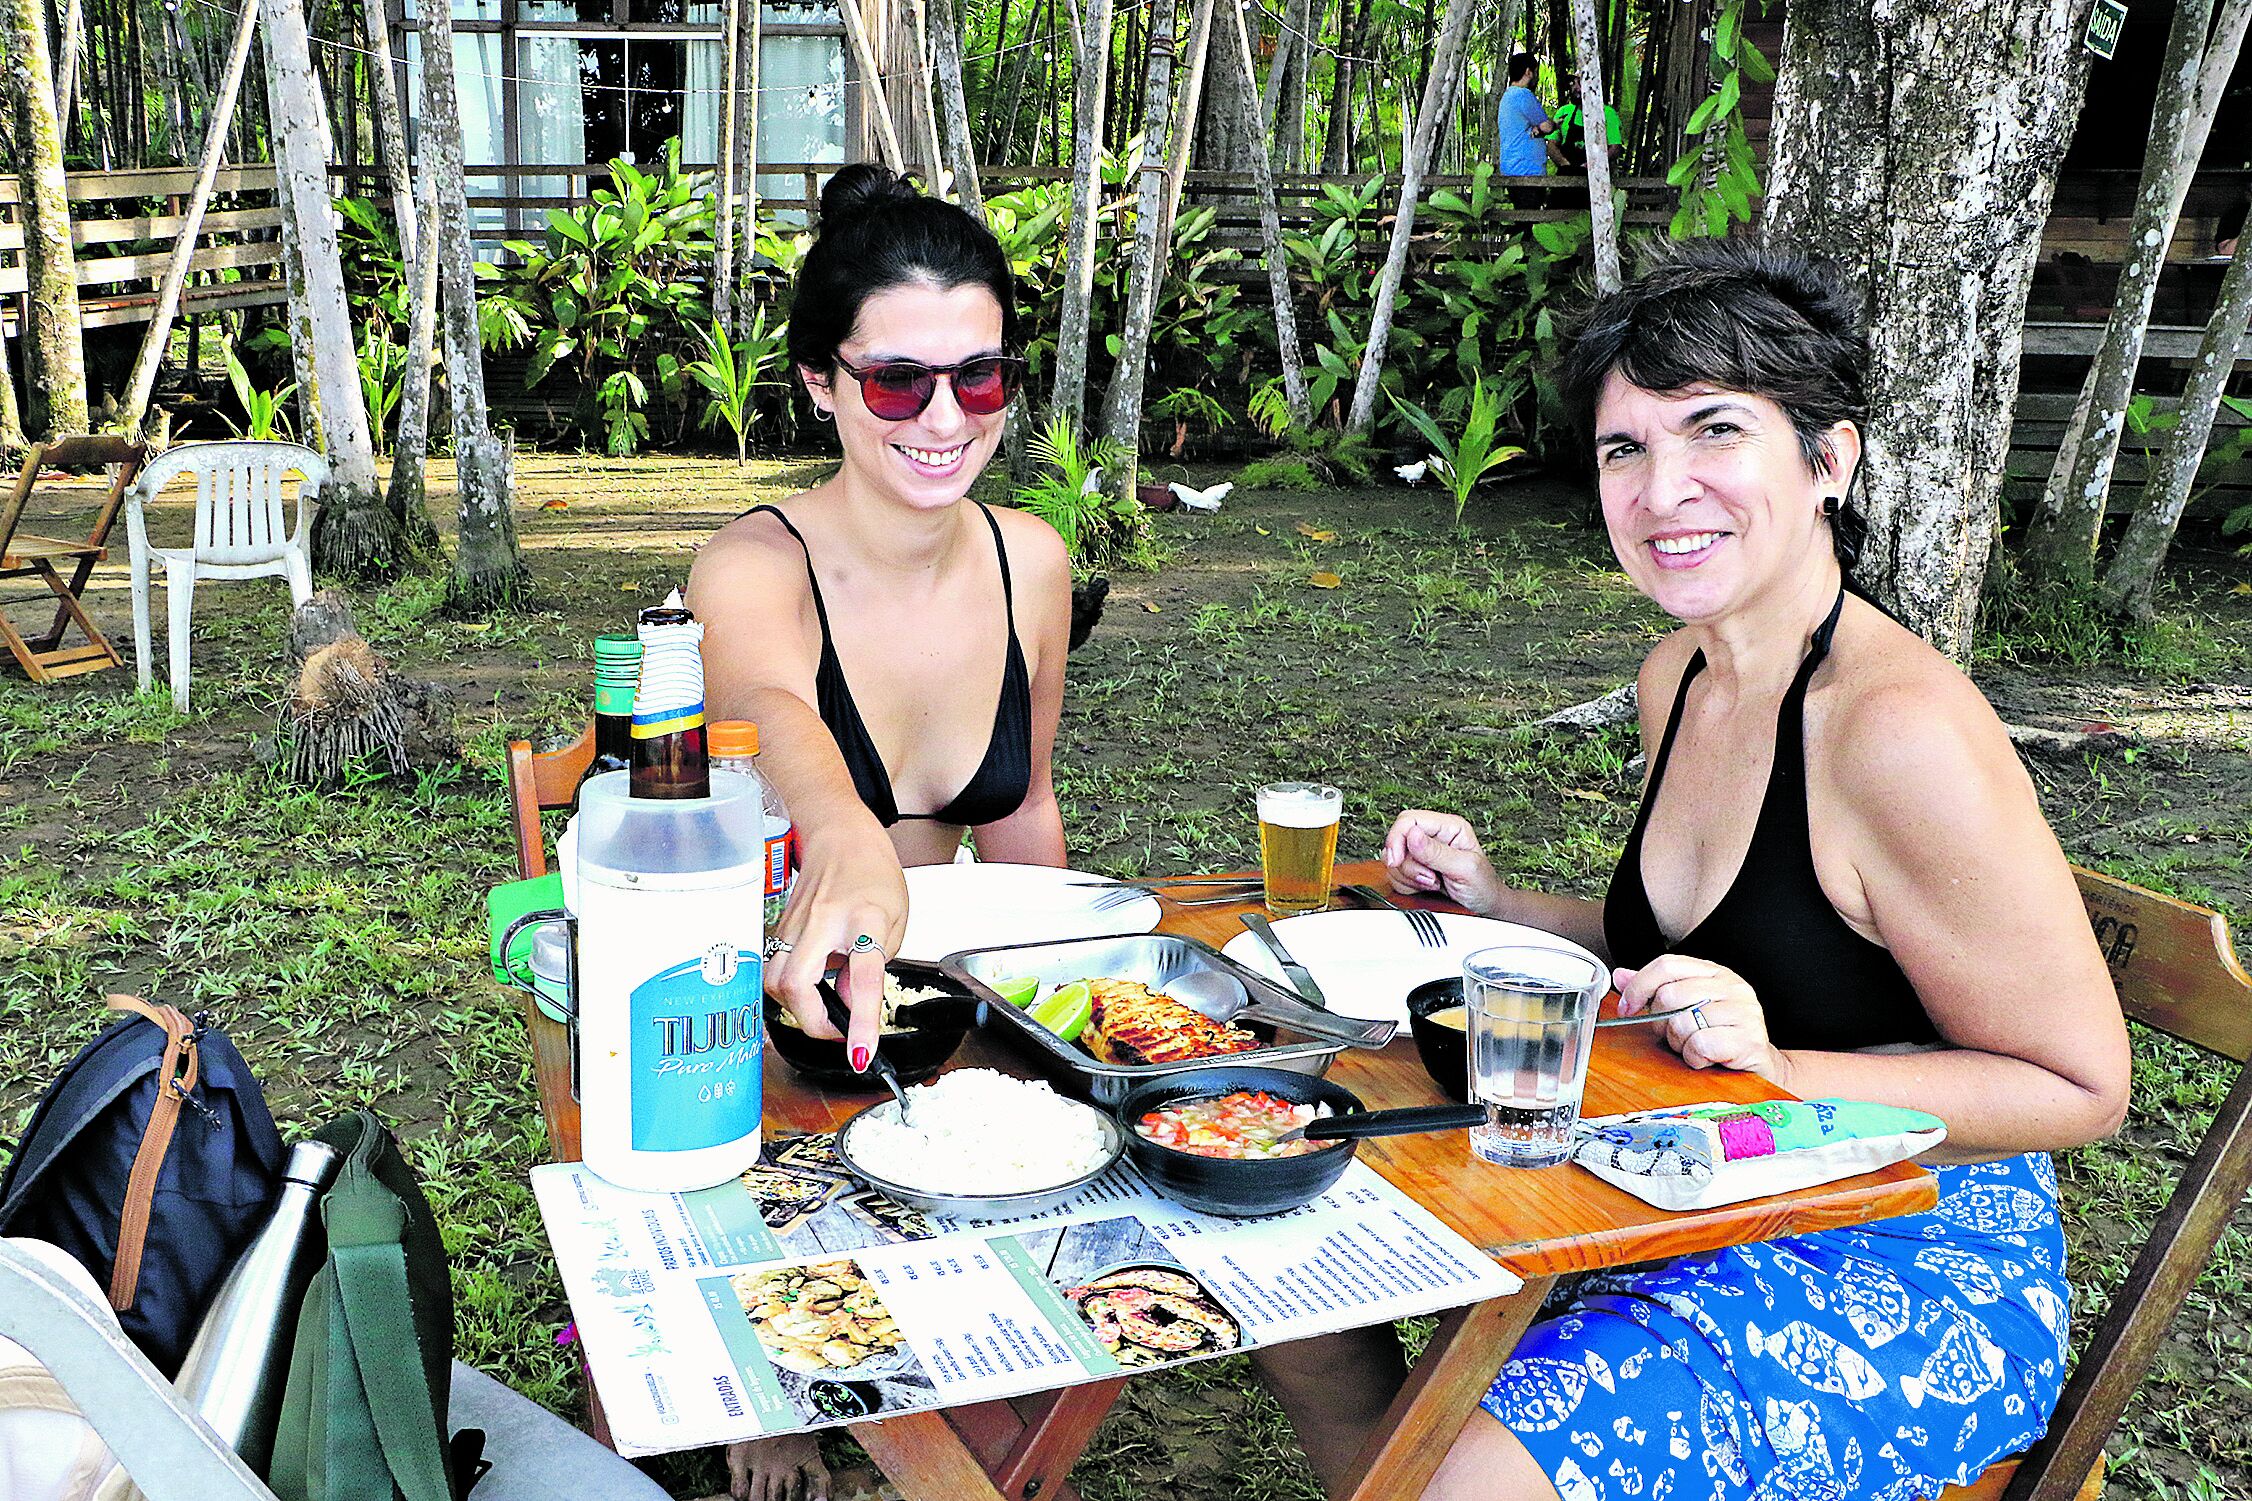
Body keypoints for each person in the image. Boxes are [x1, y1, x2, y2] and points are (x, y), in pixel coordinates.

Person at [1257, 241, 2133, 1501]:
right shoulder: (1679, 673)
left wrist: (1779, 1071)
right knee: (1295, 1256)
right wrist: (1502, 907)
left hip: (1905, 1242)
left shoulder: (1895, 730)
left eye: (1712, 431)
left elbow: (2078, 1086)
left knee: (1459, 1471)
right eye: (1625, 448)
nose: (1661, 488)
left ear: (1827, 461)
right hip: (1695, 1173)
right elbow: (1695, 954)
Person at [686, 163, 1073, 1501]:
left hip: (923, 1019)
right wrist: (846, 834)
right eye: (898, 380)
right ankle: (763, 1367)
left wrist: (1068, 1008)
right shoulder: (753, 564)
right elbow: (768, 712)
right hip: (754, 1022)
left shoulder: (1034, 559)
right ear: (822, 385)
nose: (944, 417)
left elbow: (1020, 803)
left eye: (980, 377)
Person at [1497, 52, 1567, 176]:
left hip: (1511, 167)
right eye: (1535, 72)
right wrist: (1555, 124)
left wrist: (1537, 129)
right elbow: (1547, 126)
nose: (1536, 76)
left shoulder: (1507, 96)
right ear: (1528, 72)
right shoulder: (1523, 95)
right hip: (1527, 169)